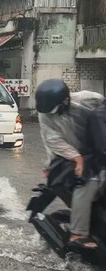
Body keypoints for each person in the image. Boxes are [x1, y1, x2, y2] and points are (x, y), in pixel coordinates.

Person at [37, 79, 103, 249]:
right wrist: (76, 158)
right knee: (86, 182)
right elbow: (53, 141)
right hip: (68, 157)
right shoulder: (45, 115)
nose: (52, 115)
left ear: (66, 101)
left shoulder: (88, 100)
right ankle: (78, 234)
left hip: (97, 150)